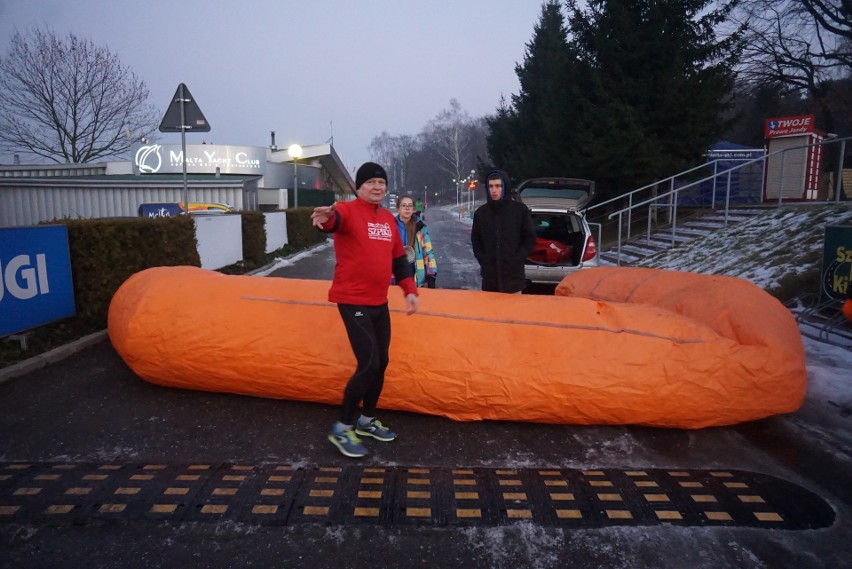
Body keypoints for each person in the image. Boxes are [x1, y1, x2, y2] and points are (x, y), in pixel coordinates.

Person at [310, 162, 419, 458]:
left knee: (381, 362)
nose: (377, 186)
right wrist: (325, 219)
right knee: (369, 362)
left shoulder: (387, 219)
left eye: (381, 182)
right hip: (352, 299)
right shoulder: (347, 210)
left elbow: (399, 260)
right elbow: (333, 222)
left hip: (378, 302)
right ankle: (342, 429)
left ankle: (366, 421)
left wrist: (410, 290)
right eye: (370, 182)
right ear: (359, 187)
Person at [471, 169, 536, 293]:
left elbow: (529, 238)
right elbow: (476, 241)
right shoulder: (481, 213)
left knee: (513, 312)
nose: (494, 190)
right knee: (489, 312)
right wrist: (484, 261)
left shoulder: (519, 211)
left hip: (514, 280)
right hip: (490, 281)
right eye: (491, 186)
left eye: (498, 186)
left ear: (505, 186)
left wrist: (517, 258)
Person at [395, 195, 438, 288]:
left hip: (415, 275)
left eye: (410, 205)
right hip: (395, 275)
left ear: (413, 209)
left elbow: (428, 251)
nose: (407, 208)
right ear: (398, 209)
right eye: (404, 205)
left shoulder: (420, 227)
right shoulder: (390, 226)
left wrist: (432, 274)